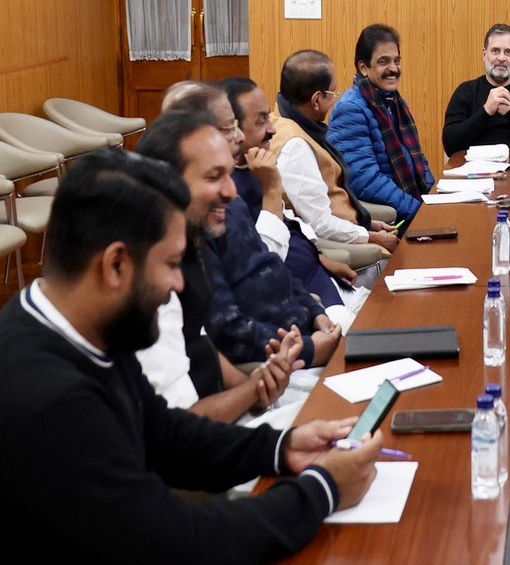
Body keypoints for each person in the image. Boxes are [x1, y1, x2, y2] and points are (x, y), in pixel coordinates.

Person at [0, 149, 382, 565]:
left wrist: (279, 448)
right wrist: (323, 491)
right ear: (115, 265)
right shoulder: (46, 397)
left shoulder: (70, 324)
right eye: (169, 265)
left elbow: (162, 434)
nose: (179, 288)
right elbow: (184, 555)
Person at [134, 109, 305, 419]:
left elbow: (198, 340)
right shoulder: (145, 280)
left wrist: (256, 388)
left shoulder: (189, 240)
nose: (232, 191)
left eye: (229, 173)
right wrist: (253, 392)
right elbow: (178, 430)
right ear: (166, 182)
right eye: (214, 177)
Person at [222, 75, 372, 317]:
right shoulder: (224, 192)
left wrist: (318, 255)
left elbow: (290, 223)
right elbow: (263, 266)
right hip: (303, 305)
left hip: (324, 281)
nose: (272, 129)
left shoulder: (254, 166)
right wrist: (272, 189)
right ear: (232, 130)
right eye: (261, 121)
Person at [271, 50, 401, 256]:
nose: (335, 101)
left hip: (348, 229)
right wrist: (370, 236)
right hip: (335, 246)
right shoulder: (295, 146)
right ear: (316, 100)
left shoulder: (280, 118)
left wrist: (370, 225)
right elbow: (321, 223)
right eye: (332, 93)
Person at [326, 24, 435, 223]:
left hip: (413, 206)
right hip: (389, 221)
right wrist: (418, 211)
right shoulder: (351, 109)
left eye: (397, 61)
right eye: (384, 62)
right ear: (363, 68)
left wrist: (435, 199)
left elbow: (418, 160)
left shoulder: (395, 103)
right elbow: (365, 180)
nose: (393, 68)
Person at [441, 22, 510, 157]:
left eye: (508, 52)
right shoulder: (465, 92)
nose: (502, 58)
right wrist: (486, 111)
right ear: (484, 54)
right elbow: (450, 145)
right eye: (495, 51)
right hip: (474, 174)